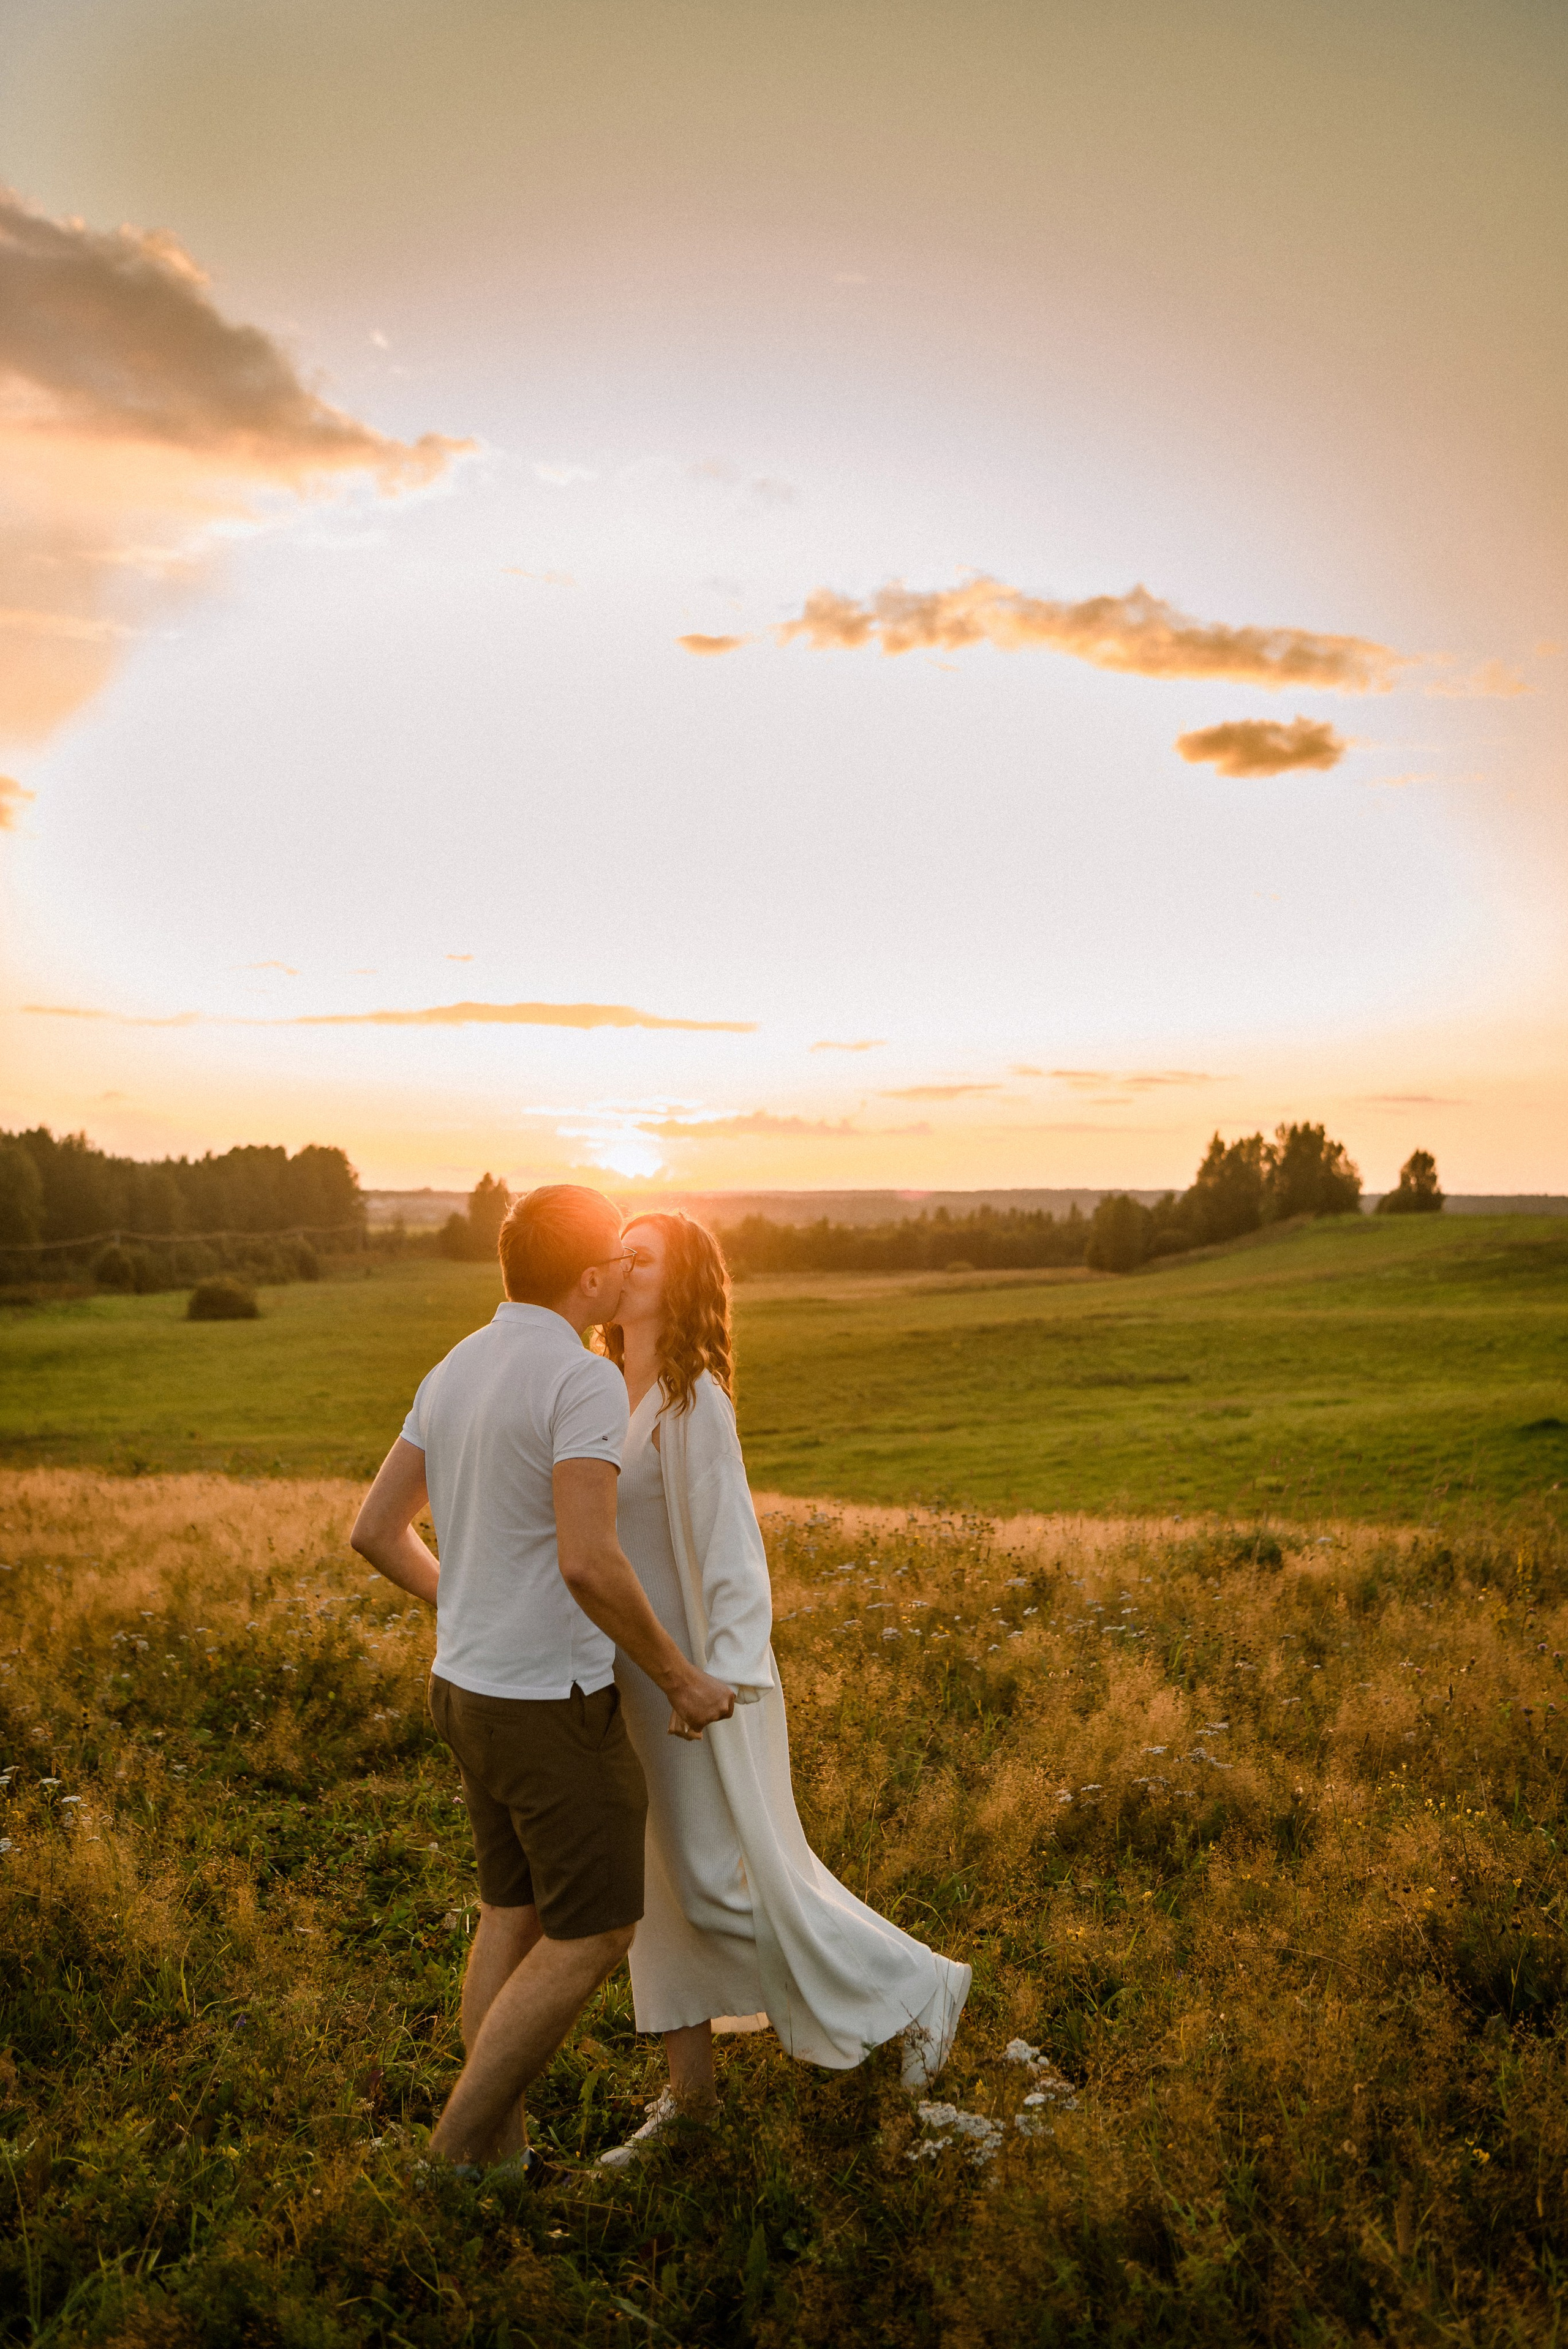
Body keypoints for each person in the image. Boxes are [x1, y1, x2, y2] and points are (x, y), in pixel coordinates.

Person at [349, 1183, 735, 2179]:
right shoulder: (580, 1380)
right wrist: (681, 1679)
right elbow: (590, 1562)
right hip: (547, 1706)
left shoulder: (457, 1367)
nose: (622, 1269)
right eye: (614, 1255)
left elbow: (376, 1530)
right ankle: (450, 2159)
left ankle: (502, 2169)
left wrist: (465, 1602)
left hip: (463, 1692)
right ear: (592, 1275)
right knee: (597, 1929)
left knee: (509, 1915)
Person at [594, 1211, 971, 2168]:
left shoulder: (691, 1402)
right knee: (663, 1895)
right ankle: (690, 2098)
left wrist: (719, 1685)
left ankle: (918, 1986)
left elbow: (733, 1560)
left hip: (700, 1695)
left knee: (724, 1886)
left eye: (645, 1258)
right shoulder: (606, 1396)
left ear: (678, 1287)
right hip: (634, 1692)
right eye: (619, 1251)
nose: (622, 1266)